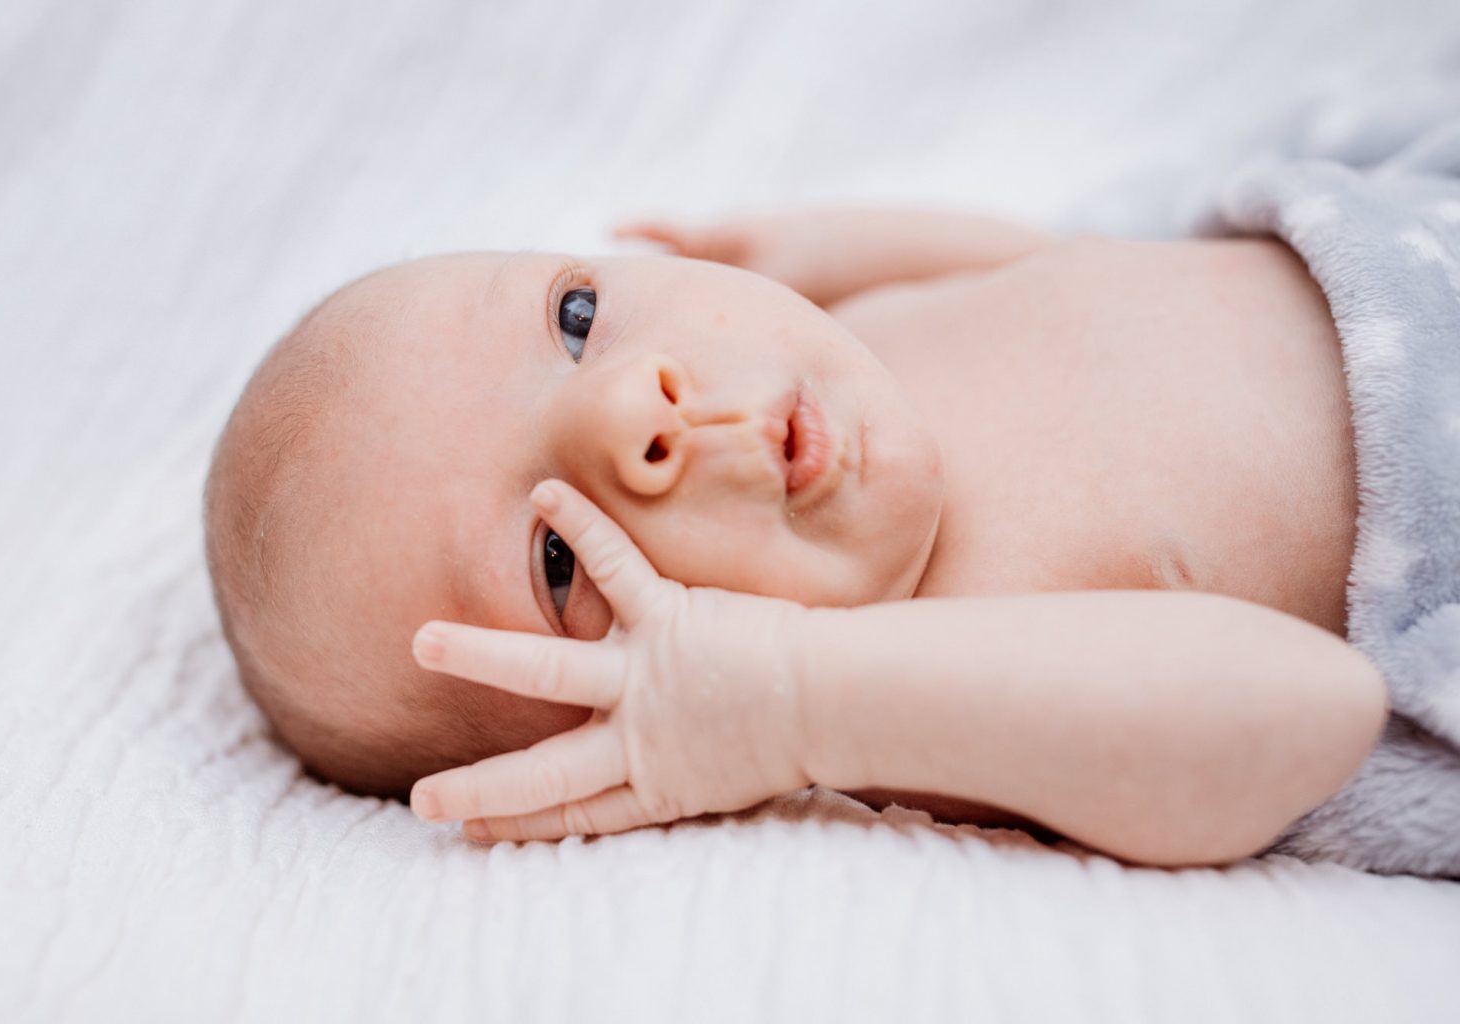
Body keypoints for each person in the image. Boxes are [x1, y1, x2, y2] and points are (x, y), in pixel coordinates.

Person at [203, 208, 1389, 869]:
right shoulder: (930, 691)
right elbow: (1321, 712)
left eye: (576, 319)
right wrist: (793, 697)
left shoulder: (838, 350)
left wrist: (844, 250)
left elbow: (1076, 263)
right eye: (559, 562)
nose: (630, 408)